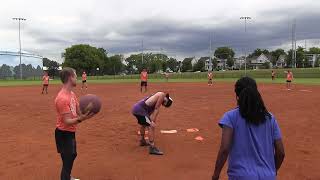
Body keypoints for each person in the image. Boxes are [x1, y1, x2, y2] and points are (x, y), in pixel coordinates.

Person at [212, 77, 285, 180]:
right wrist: (272, 171)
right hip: (268, 175)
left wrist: (216, 174)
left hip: (240, 176)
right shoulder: (270, 118)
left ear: (237, 96)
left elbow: (224, 149)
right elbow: (281, 152)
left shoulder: (230, 117)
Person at [55, 67, 94, 180]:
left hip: (70, 132)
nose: (77, 78)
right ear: (70, 77)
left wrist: (88, 110)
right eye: (75, 76)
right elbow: (67, 122)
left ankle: (67, 176)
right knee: (68, 158)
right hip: (63, 133)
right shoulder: (62, 98)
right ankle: (66, 178)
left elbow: (78, 112)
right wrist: (82, 119)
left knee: (71, 156)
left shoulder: (71, 94)